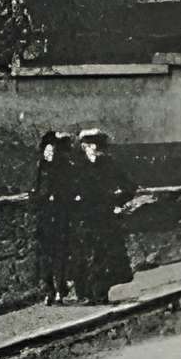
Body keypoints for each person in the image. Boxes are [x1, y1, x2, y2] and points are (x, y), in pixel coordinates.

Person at [68, 127, 138, 305]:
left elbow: (130, 185)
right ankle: (87, 293)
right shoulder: (77, 166)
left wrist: (118, 202)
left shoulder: (109, 164)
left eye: (94, 144)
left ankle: (101, 292)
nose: (91, 148)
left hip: (105, 215)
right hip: (85, 217)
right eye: (87, 145)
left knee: (106, 253)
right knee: (86, 254)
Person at [29, 131, 77, 305]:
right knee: (45, 256)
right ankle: (49, 291)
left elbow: (71, 190)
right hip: (45, 217)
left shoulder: (65, 167)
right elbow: (34, 189)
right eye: (46, 151)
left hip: (61, 215)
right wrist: (39, 199)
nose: (49, 154)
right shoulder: (41, 167)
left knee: (61, 254)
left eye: (52, 151)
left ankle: (60, 290)